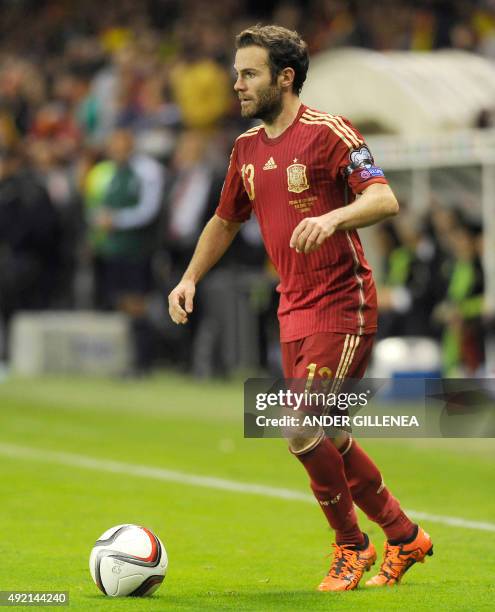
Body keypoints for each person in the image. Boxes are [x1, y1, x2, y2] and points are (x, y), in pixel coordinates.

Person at [168, 24, 433, 592]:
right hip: (294, 308)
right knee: (328, 437)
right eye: (236, 72)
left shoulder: (329, 132)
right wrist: (189, 277)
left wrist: (331, 217)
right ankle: (406, 536)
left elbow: (383, 197)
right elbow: (224, 220)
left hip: (343, 301)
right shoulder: (245, 149)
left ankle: (351, 546)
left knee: (299, 427)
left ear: (285, 78)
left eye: (248, 74)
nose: (235, 84)